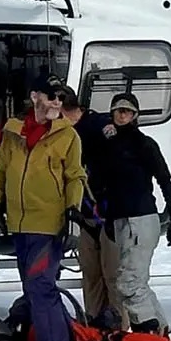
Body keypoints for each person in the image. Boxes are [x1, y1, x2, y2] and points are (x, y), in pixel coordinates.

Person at [0, 80, 86, 341]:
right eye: (51, 96)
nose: (57, 102)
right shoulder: (13, 132)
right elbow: (1, 169)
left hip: (48, 223)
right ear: (35, 97)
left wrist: (72, 212)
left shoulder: (68, 136)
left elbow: (75, 176)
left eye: (60, 98)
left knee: (40, 286)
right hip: (19, 222)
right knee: (33, 288)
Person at [86, 90, 171, 334]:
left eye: (127, 111)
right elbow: (99, 179)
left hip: (141, 218)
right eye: (118, 110)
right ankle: (160, 331)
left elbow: (164, 179)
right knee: (135, 281)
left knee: (129, 283)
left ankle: (145, 332)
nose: (122, 114)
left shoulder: (144, 144)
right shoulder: (106, 146)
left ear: (135, 115)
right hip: (119, 220)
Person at [55, 87, 116, 326]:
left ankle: (116, 324)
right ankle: (93, 321)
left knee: (112, 274)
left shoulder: (98, 125)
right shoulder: (64, 133)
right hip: (84, 214)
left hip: (108, 212)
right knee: (91, 274)